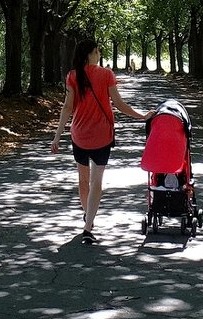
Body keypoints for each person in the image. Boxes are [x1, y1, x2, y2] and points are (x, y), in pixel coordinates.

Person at [51, 39, 149, 243]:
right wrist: (142, 116)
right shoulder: (106, 74)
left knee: (83, 179)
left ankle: (88, 215)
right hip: (102, 136)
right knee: (97, 182)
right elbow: (120, 104)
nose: (100, 53)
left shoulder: (72, 75)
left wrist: (57, 136)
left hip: (79, 135)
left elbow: (67, 108)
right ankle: (88, 226)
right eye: (97, 50)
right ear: (91, 54)